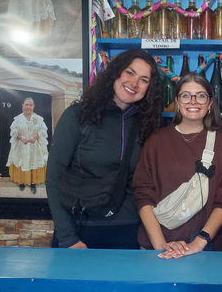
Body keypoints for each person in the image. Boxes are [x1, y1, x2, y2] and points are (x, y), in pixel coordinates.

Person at [46, 49, 163, 249]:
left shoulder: (148, 124)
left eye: (144, 80)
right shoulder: (77, 116)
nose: (134, 83)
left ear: (149, 88)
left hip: (127, 232)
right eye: (130, 72)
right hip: (79, 232)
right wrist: (68, 238)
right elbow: (54, 177)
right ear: (115, 73)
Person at [133, 73, 222, 258]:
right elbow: (143, 194)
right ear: (177, 102)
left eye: (200, 95)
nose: (193, 101)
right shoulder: (156, 141)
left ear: (209, 104)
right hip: (157, 248)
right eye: (185, 95)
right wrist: (161, 245)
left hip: (209, 250)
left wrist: (198, 243)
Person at [6, 97, 49, 194]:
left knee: (33, 162)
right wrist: (21, 137)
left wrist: (36, 136)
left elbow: (43, 130)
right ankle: (22, 182)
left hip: (35, 146)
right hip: (22, 146)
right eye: (26, 105)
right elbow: (13, 131)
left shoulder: (38, 118)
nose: (28, 107)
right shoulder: (17, 119)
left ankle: (33, 183)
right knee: (22, 162)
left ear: (33, 106)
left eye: (30, 105)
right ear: (23, 106)